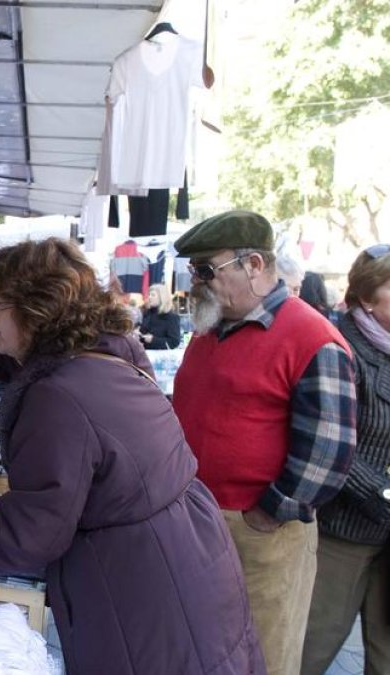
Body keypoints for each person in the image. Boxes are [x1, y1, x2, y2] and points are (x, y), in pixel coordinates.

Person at [0, 237, 263, 674]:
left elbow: (29, 535)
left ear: (36, 310)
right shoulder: (100, 348)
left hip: (144, 594)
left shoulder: (57, 398)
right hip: (188, 560)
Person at [171, 210, 356, 675]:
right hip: (197, 520)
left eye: (206, 270)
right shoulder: (213, 327)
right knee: (194, 651)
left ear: (253, 265)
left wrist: (267, 514)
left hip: (259, 534)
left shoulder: (312, 338)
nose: (197, 282)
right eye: (193, 271)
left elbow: (328, 453)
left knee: (261, 656)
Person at [301, 244, 390, 675]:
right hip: (343, 532)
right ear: (368, 297)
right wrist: (383, 494)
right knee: (310, 648)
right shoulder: (337, 347)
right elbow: (330, 441)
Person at [139, 283, 182, 349]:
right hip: (145, 352)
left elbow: (174, 342)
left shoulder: (172, 317)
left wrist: (154, 340)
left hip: (161, 354)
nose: (149, 297)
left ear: (162, 297)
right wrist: (138, 335)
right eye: (149, 295)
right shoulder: (147, 314)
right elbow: (143, 335)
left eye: (153, 295)